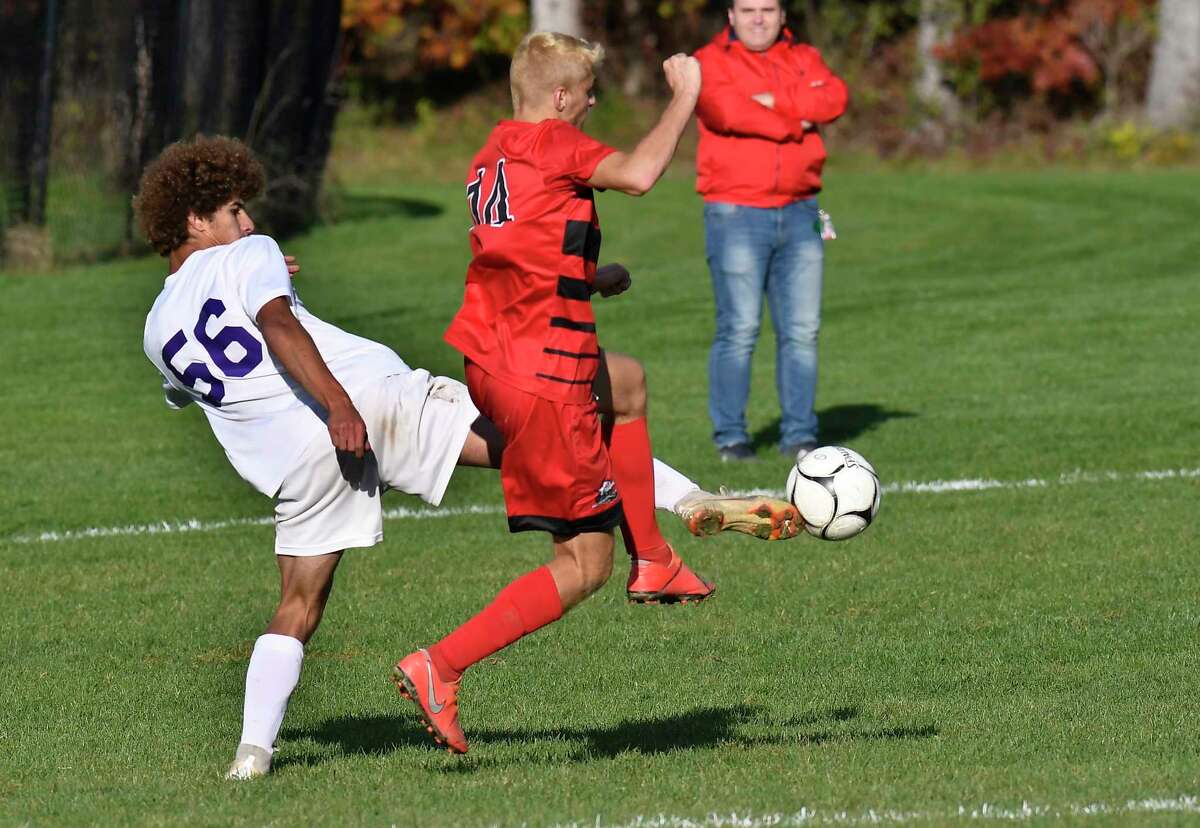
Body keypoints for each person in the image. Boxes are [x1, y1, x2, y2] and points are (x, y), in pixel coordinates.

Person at [136, 136, 798, 777]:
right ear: (196, 219)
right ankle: (683, 505)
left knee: (298, 604)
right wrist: (338, 403)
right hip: (375, 408)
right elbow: (276, 325)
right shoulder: (251, 254)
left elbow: (197, 380)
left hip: (300, 468)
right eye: (233, 212)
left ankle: (252, 756)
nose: (248, 221)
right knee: (547, 431)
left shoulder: (156, 329)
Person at [390, 32, 798, 757]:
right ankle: (440, 666)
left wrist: (588, 276)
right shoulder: (555, 141)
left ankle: (656, 557)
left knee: (631, 382)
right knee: (584, 565)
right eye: (585, 93)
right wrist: (686, 97)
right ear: (557, 99)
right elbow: (640, 174)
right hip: (544, 374)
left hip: (492, 355)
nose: (593, 103)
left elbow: (520, 252)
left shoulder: (492, 154)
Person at [693, 0, 848, 462]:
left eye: (767, 9)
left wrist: (774, 103)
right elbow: (727, 113)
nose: (757, 18)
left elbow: (834, 99)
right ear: (730, 16)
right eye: (748, 9)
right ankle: (731, 439)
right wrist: (798, 118)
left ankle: (800, 434)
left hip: (802, 211)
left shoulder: (805, 57)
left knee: (802, 330)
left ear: (783, 16)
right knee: (739, 328)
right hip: (735, 211)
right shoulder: (708, 62)